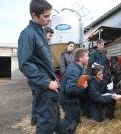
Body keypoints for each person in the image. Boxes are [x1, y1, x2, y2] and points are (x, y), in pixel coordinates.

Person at [18, 0, 63, 133]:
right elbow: (24, 64)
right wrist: (46, 82)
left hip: (51, 84)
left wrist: (54, 79)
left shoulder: (41, 32)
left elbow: (44, 62)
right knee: (47, 123)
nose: (49, 20)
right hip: (44, 87)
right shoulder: (27, 34)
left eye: (50, 15)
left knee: (56, 120)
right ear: (34, 15)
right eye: (46, 16)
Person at [60, 48, 89, 134]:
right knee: (71, 124)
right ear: (80, 58)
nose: (88, 57)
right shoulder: (74, 69)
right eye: (87, 56)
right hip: (68, 100)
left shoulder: (77, 67)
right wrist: (83, 88)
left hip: (72, 99)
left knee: (74, 120)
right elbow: (69, 89)